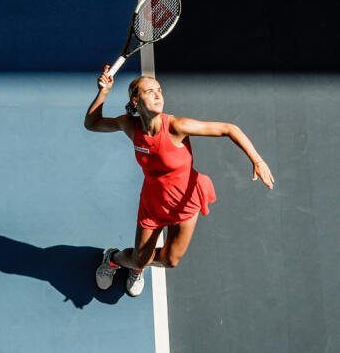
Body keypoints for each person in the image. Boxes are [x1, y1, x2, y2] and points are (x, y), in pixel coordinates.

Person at [83, 65, 274, 297]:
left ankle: (138, 265)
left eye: (159, 90)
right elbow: (92, 124)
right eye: (149, 91)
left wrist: (257, 160)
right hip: (154, 203)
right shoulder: (129, 126)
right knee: (139, 259)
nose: (157, 94)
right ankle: (114, 259)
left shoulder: (176, 126)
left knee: (171, 260)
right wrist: (104, 91)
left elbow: (228, 128)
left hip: (186, 199)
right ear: (136, 100)